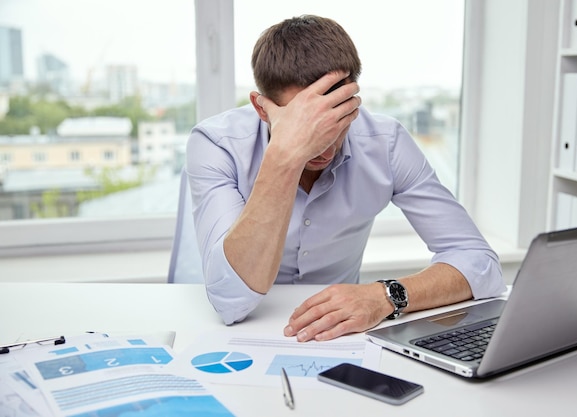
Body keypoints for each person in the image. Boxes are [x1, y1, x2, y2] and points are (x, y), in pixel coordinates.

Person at [186, 14, 505, 343]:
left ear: (354, 100)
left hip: (343, 335)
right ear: (262, 108)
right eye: (303, 120)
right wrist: (285, 155)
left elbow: (481, 265)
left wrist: (384, 296)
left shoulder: (386, 142)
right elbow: (230, 302)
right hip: (243, 332)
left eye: (336, 115)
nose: (322, 142)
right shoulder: (216, 144)